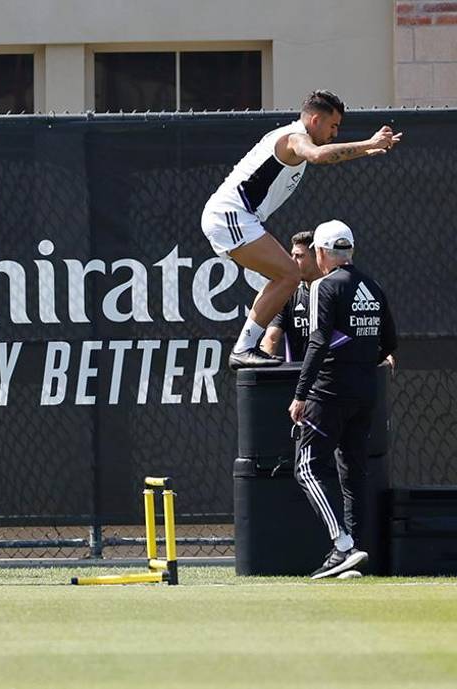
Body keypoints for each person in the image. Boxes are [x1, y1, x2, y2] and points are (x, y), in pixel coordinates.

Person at [200, 90, 401, 369]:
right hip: (230, 216)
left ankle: (244, 347)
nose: (335, 133)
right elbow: (319, 155)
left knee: (283, 276)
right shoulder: (294, 138)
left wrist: (366, 149)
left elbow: (324, 154)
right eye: (333, 126)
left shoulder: (295, 138)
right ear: (315, 119)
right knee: (289, 274)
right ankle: (243, 349)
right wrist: (368, 143)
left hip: (239, 218)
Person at [288, 220, 397, 579]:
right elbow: (389, 343)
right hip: (365, 393)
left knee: (306, 467)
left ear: (321, 253)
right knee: (352, 472)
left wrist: (301, 394)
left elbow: (318, 342)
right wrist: (359, 357)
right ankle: (352, 552)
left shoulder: (323, 286)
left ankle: (343, 546)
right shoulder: (373, 285)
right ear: (350, 251)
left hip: (328, 393)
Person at [259, 230, 322, 362]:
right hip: (299, 378)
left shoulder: (338, 292)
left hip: (333, 376)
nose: (292, 261)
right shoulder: (288, 295)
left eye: (299, 256)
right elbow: (271, 338)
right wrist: (264, 368)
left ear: (317, 257)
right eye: (291, 256)